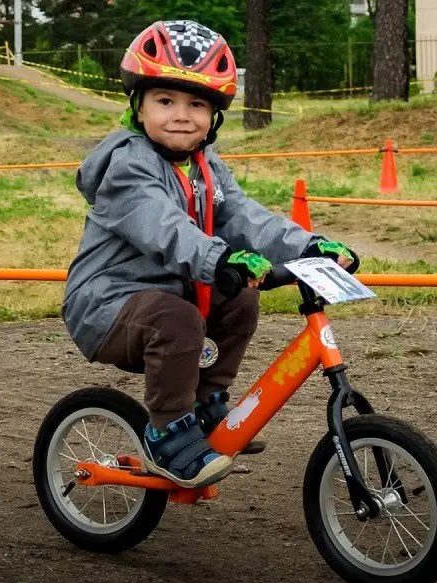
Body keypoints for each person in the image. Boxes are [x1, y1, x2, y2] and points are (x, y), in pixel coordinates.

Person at [63, 20, 357, 489]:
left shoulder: (205, 166)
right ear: (138, 108)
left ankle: (206, 401)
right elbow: (163, 227)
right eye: (165, 101)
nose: (181, 115)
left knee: (240, 300)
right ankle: (168, 432)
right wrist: (220, 259)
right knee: (175, 320)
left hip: (172, 291)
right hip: (107, 303)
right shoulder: (127, 167)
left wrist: (308, 245)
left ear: (214, 116)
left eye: (196, 104)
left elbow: (244, 216)